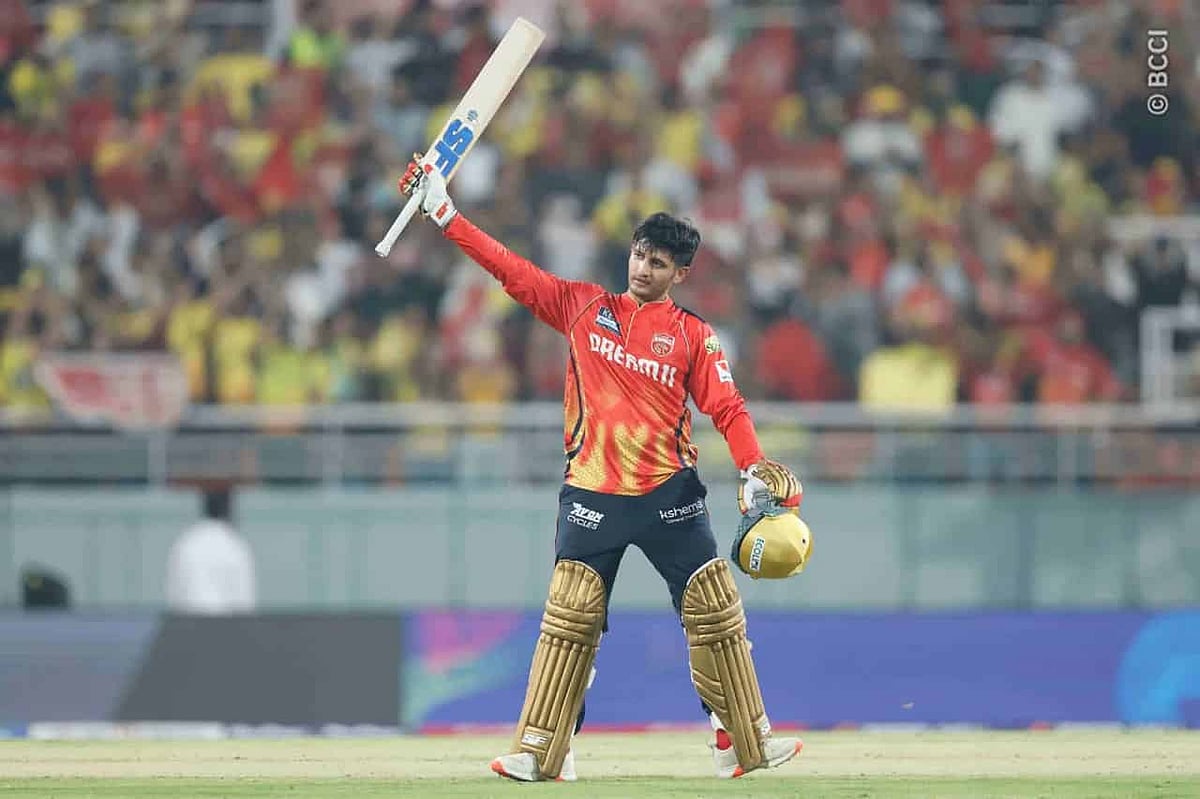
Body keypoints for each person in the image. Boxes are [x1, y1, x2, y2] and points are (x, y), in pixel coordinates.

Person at [399, 159, 808, 782]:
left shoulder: (693, 335)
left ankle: (745, 745)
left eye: (658, 263)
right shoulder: (583, 307)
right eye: (639, 255)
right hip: (593, 492)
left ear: (680, 274)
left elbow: (727, 407)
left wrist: (752, 466)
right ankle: (543, 753)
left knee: (715, 614)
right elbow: (510, 271)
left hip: (671, 494)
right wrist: (445, 212)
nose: (643, 269)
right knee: (571, 619)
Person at [165, 487, 257, 615]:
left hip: (188, 621)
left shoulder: (185, 542)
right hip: (226, 623)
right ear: (229, 508)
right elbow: (244, 601)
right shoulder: (235, 545)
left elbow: (174, 597)